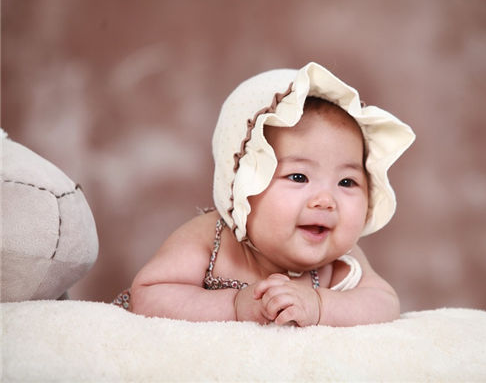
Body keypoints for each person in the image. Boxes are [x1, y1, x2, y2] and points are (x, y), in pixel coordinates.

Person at [113, 62, 415, 327]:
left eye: (347, 182)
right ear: (242, 184)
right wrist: (234, 306)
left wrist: (320, 306)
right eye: (298, 177)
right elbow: (147, 295)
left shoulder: (341, 261)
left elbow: (384, 302)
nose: (326, 201)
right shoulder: (210, 238)